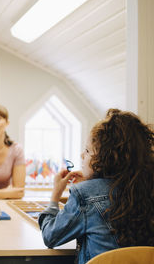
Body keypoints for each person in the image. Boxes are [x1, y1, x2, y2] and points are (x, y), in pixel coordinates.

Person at [38, 109, 154, 264]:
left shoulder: (85, 195)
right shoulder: (147, 187)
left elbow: (50, 236)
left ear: (107, 158)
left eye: (87, 150)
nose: (81, 155)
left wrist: (55, 196)